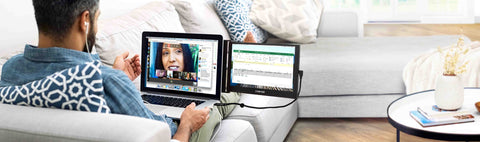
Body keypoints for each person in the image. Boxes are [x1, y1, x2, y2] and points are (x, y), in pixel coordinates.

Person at [0, 1, 239, 142]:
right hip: (175, 134)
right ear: (85, 20)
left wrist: (119, 79)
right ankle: (232, 85)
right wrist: (186, 126)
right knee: (216, 103)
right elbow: (160, 134)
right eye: (96, 19)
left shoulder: (10, 70)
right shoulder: (105, 81)